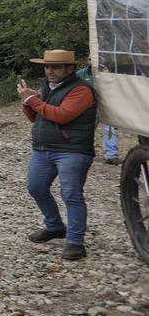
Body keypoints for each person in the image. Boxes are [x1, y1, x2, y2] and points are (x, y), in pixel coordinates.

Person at [19, 49, 96, 261]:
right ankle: (54, 226)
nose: (50, 71)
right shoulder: (47, 87)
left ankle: (75, 242)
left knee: (71, 194)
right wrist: (27, 101)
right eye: (47, 67)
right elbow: (37, 118)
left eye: (56, 67)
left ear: (70, 69)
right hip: (43, 148)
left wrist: (31, 100)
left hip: (73, 150)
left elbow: (62, 116)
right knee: (35, 187)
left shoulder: (82, 90)